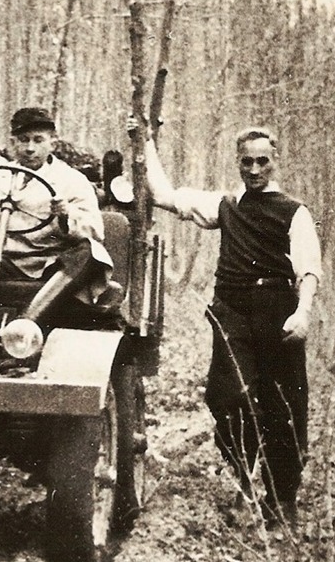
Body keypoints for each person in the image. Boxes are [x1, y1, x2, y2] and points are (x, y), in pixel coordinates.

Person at [135, 120, 322, 528]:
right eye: (246, 162)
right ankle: (241, 476)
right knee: (228, 396)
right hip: (232, 310)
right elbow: (164, 194)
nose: (254, 170)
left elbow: (308, 269)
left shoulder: (294, 211)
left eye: (262, 162)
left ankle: (280, 500)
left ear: (276, 162)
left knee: (284, 406)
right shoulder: (226, 205)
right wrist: (145, 140)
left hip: (278, 312)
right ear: (237, 163)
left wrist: (302, 311)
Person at [0, 106, 111, 328]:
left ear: (52, 143)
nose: (30, 148)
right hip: (3, 259)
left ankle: (26, 324)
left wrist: (66, 215)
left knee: (91, 252)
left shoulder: (72, 180)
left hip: (49, 262)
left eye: (38, 140)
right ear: (13, 142)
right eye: (23, 140)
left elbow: (94, 231)